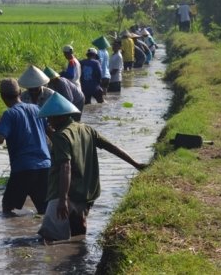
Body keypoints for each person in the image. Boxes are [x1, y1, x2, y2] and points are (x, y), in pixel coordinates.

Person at [36, 93, 147, 242]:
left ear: (61, 116)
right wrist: (136, 164)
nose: (48, 121)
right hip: (86, 191)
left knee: (48, 237)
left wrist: (63, 200)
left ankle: (65, 262)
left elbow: (66, 166)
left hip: (62, 192)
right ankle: (80, 259)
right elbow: (112, 147)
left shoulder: (61, 136)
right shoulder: (86, 129)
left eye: (50, 117)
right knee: (78, 233)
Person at [0, 78, 51, 215]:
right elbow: (50, 132)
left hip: (23, 169)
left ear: (2, 97)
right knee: (44, 210)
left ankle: (13, 235)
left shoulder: (10, 114)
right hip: (45, 167)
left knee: (8, 208)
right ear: (20, 92)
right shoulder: (36, 108)